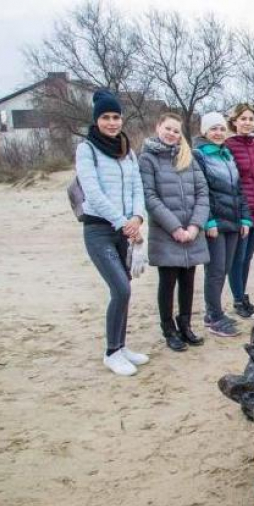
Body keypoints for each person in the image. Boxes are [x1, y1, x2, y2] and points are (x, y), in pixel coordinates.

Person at [76, 89, 148, 376]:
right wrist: (121, 221)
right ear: (96, 120)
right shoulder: (87, 149)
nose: (112, 122)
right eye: (105, 117)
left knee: (125, 291)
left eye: (116, 117)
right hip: (99, 229)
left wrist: (137, 217)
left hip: (125, 229)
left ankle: (121, 346)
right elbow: (92, 191)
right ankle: (111, 353)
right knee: (120, 288)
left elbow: (136, 188)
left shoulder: (126, 150)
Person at [140, 113, 210, 352]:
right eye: (168, 129)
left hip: (191, 231)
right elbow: (150, 197)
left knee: (188, 281)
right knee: (168, 282)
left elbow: (202, 193)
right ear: (158, 127)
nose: (172, 134)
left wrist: (194, 226)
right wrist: (175, 228)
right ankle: (169, 329)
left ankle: (186, 325)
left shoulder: (187, 157)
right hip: (166, 232)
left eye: (176, 131)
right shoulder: (148, 159)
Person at [193, 112, 252, 337]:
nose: (218, 133)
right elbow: (201, 191)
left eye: (221, 129)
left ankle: (215, 311)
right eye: (213, 129)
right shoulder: (199, 156)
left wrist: (245, 217)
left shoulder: (227, 155)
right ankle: (213, 315)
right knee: (215, 270)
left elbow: (238, 189)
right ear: (204, 132)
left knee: (225, 268)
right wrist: (208, 220)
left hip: (234, 221)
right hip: (215, 222)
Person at [225, 103, 254, 319]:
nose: (247, 123)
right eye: (243, 119)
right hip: (240, 210)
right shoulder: (228, 145)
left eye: (250, 119)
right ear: (234, 122)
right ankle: (238, 299)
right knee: (237, 258)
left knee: (247, 257)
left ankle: (243, 295)